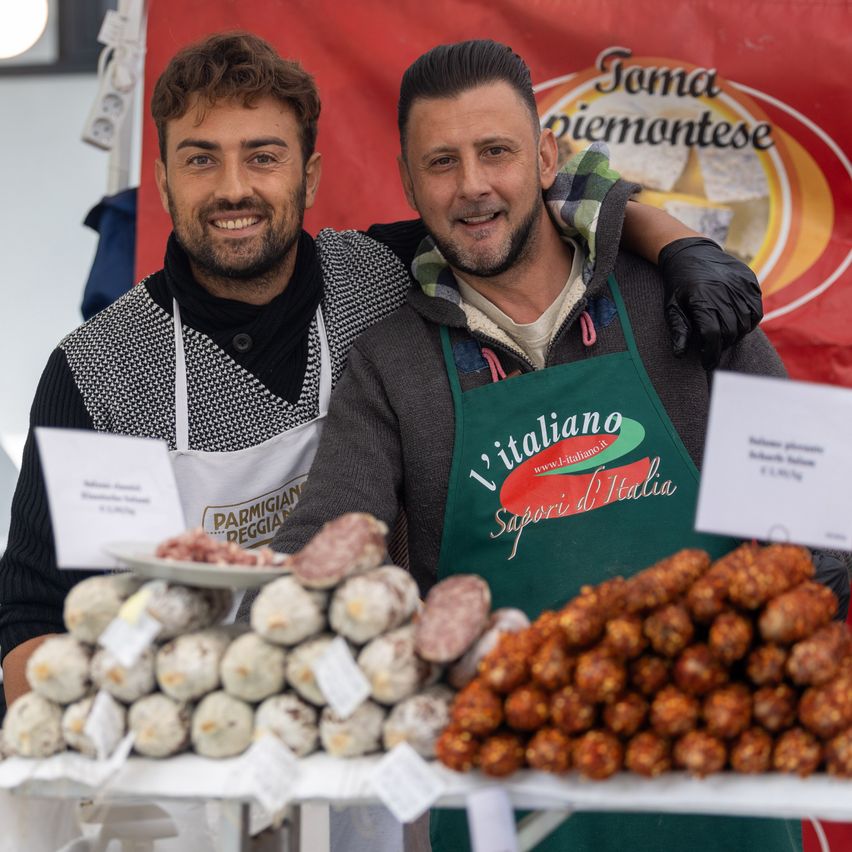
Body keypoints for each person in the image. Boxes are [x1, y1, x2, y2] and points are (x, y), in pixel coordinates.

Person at [0, 31, 761, 709]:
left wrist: (676, 245)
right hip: (180, 761)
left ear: (310, 174)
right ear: (162, 182)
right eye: (201, 160)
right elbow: (29, 614)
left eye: (263, 156)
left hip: (368, 743)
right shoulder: (98, 370)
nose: (234, 188)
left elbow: (531, 202)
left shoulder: (378, 278)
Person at [270, 39, 849, 852]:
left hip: (719, 788)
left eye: (496, 151)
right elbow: (321, 555)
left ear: (547, 158)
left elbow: (817, 534)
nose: (472, 185)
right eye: (441, 162)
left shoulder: (680, 304)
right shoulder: (389, 364)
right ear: (408, 182)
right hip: (502, 805)